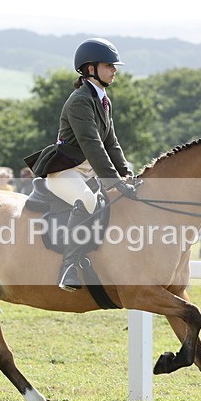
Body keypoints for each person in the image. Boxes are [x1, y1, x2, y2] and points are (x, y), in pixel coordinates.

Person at [24, 37, 135, 291]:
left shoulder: (103, 100)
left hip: (87, 171)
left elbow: (111, 143)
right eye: (109, 65)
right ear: (90, 68)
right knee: (88, 200)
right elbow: (92, 145)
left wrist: (127, 174)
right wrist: (113, 181)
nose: (114, 70)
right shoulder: (79, 101)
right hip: (65, 171)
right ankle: (69, 266)